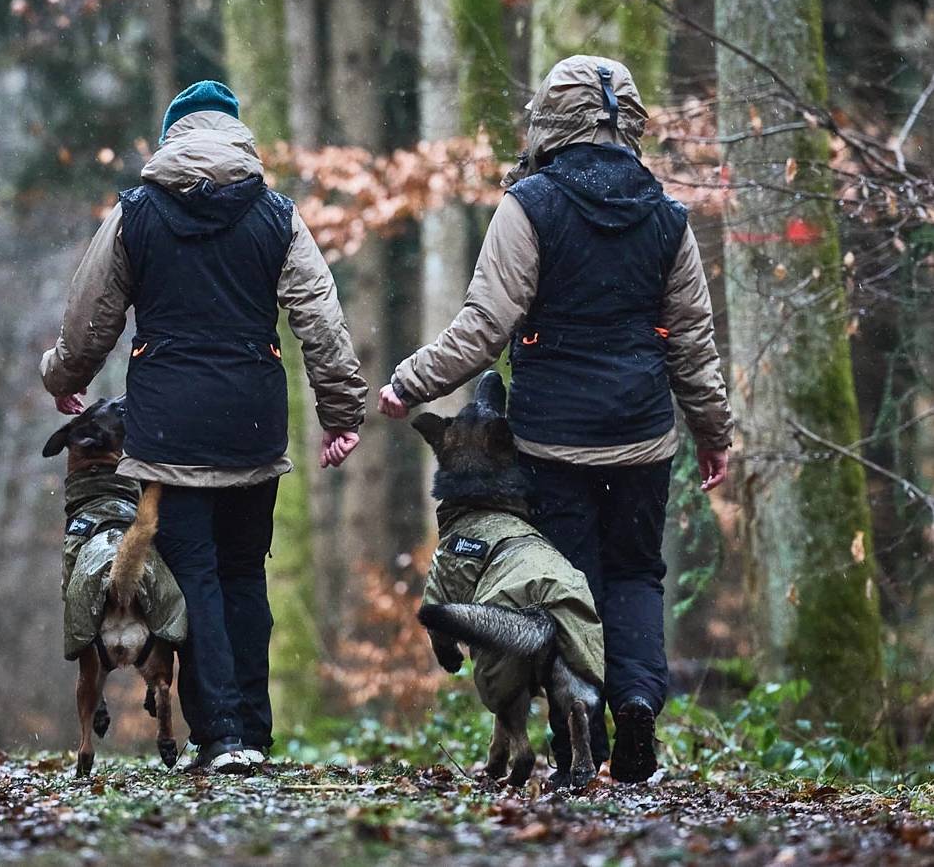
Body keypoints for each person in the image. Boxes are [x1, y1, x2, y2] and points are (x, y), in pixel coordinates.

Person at [379, 55, 733, 782]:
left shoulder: (529, 204)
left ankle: (591, 737)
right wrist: (712, 431)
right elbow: (692, 340)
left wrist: (409, 383)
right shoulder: (665, 216)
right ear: (628, 122)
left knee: (570, 582)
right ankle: (638, 701)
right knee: (636, 573)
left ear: (550, 117)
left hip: (551, 437)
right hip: (640, 432)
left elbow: (484, 326)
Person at [42, 80, 367, 774]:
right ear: (238, 137)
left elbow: (88, 319)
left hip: (169, 428)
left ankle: (222, 736)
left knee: (197, 581)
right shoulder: (276, 215)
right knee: (246, 573)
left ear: (172, 138)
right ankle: (254, 725)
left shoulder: (136, 214)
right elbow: (321, 321)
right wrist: (341, 413)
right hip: (252, 418)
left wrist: (63, 378)